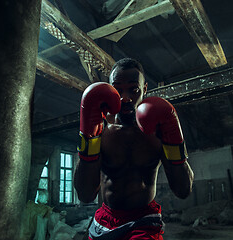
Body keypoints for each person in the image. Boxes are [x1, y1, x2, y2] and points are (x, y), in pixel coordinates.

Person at [74, 58, 194, 240]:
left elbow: (183, 190)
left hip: (143, 221)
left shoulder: (158, 132)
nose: (125, 98)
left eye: (133, 89)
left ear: (144, 89)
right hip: (105, 218)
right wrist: (88, 139)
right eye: (118, 90)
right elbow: (85, 194)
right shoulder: (101, 132)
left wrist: (174, 141)